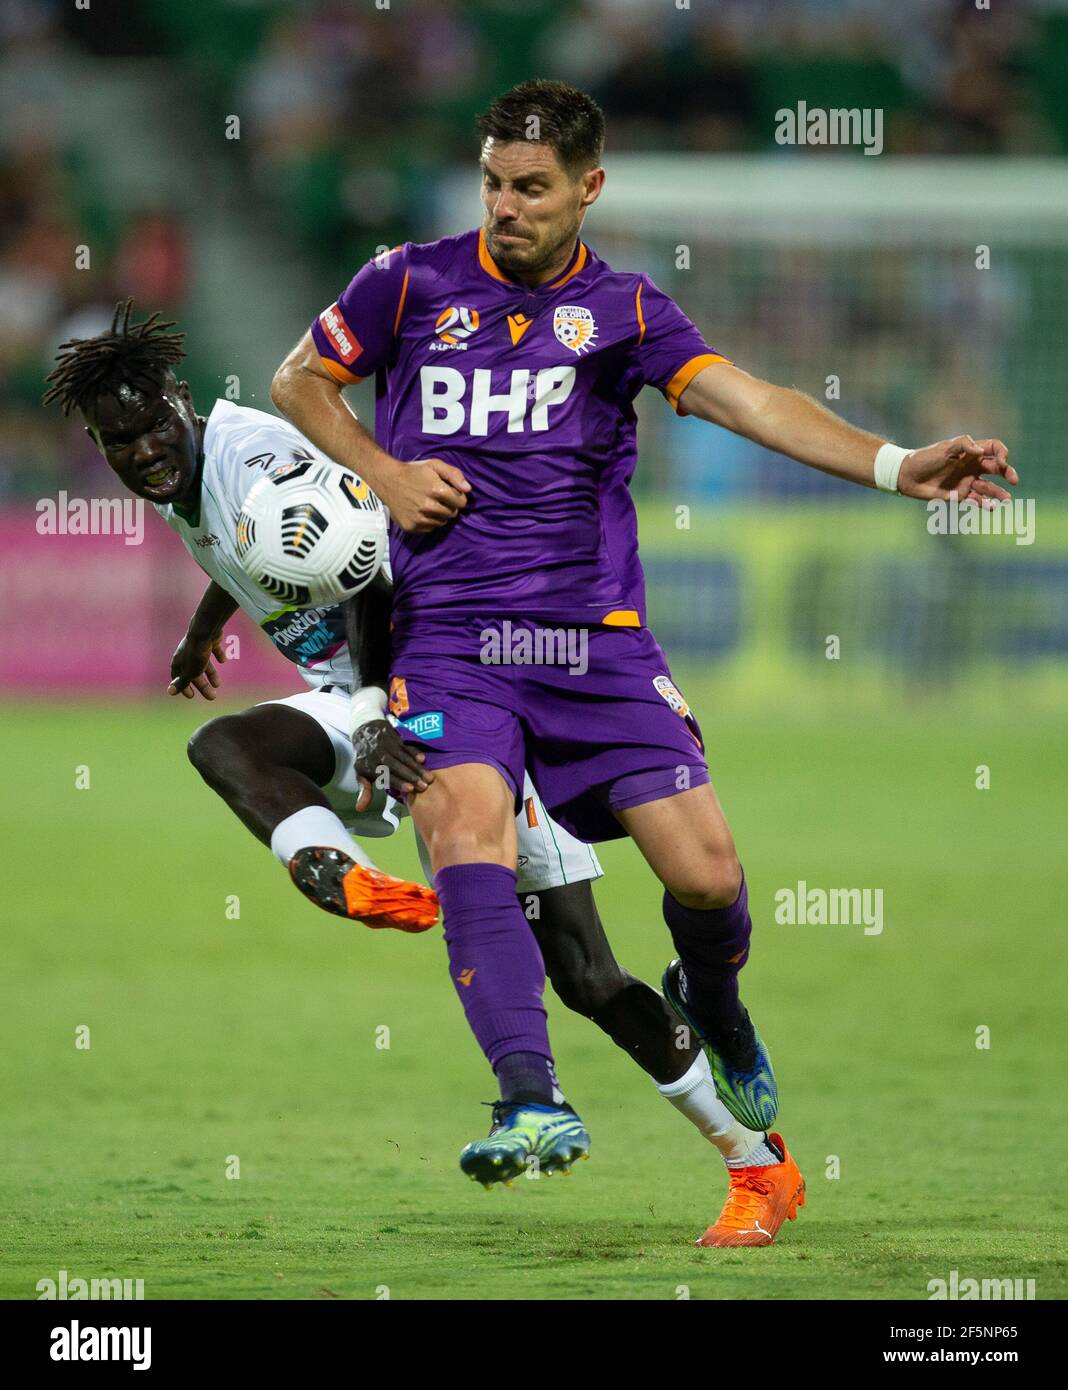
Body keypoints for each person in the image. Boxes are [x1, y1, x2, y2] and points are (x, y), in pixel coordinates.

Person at [271, 80, 1016, 1246]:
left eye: (532, 188)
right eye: (493, 184)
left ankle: (712, 1000)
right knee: (464, 830)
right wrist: (380, 468)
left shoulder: (622, 308)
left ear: (587, 190)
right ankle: (530, 1099)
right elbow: (297, 380)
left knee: (707, 877)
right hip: (452, 639)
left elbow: (748, 398)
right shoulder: (408, 280)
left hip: (594, 646)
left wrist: (896, 462)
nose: (505, 207)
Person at [44, 301, 778, 1210]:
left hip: (451, 693)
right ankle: (344, 876)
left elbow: (374, 571)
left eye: (153, 426)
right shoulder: (187, 475)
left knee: (589, 977)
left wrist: (373, 711)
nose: (144, 451)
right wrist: (205, 634)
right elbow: (244, 553)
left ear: (182, 401)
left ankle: (755, 1162)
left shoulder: (261, 462)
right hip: (377, 706)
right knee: (227, 744)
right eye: (120, 441)